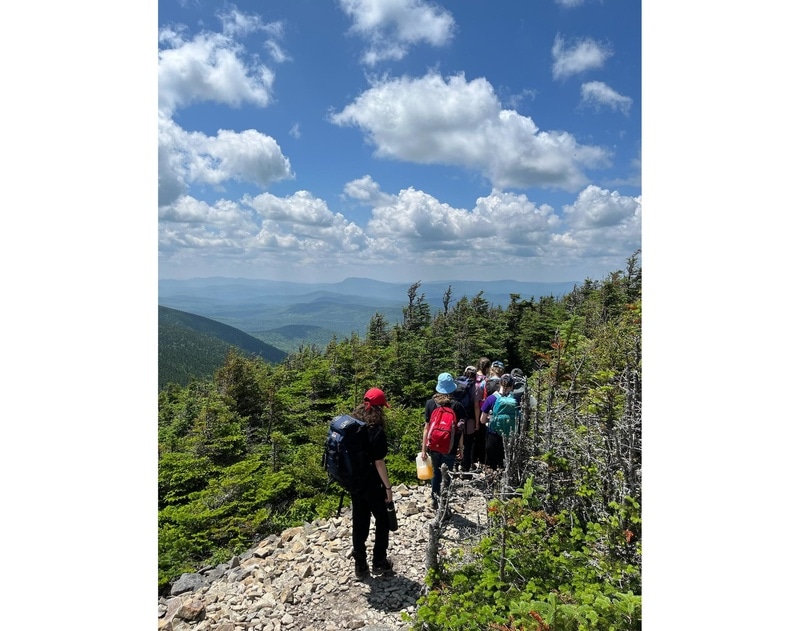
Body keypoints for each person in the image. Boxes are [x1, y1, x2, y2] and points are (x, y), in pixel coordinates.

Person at [349, 387, 395, 579]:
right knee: (383, 521)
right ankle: (379, 561)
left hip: (354, 483)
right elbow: (379, 462)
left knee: (360, 523)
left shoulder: (352, 425)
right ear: (379, 408)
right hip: (373, 485)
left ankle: (360, 566)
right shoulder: (376, 431)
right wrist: (388, 488)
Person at [420, 373, 466, 509]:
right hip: (450, 447)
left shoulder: (430, 403)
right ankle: (444, 502)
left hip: (434, 446)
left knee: (436, 472)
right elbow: (460, 430)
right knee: (447, 474)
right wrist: (461, 448)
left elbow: (426, 429)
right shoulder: (457, 405)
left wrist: (423, 449)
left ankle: (434, 500)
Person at [479, 373, 516, 470]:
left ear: (499, 383)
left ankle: (493, 482)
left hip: (493, 434)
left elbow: (482, 420)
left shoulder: (491, 398)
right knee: (505, 463)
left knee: (492, 465)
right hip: (509, 436)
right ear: (512, 386)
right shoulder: (514, 400)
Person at [471, 357, 492, 468]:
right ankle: (482, 460)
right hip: (481, 410)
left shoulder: (472, 378)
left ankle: (472, 459)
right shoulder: (486, 380)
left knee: (472, 436)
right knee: (482, 436)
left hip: (470, 411)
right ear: (487, 368)